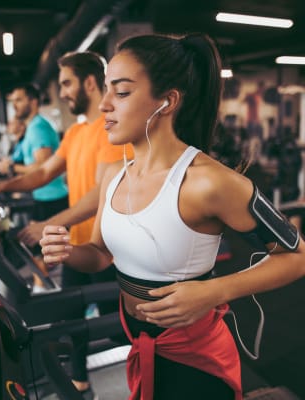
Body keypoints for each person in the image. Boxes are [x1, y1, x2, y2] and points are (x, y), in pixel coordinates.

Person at [39, 33, 305, 400]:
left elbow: (297, 255)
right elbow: (100, 254)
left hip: (195, 358)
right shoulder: (115, 176)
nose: (103, 105)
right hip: (139, 341)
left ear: (166, 101)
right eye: (105, 90)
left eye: (121, 91)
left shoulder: (208, 182)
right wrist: (70, 250)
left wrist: (213, 291)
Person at [0, 51, 133, 399]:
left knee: (118, 326)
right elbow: (44, 172)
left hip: (107, 246)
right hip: (77, 245)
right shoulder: (75, 132)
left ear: (90, 82)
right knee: (68, 319)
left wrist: (48, 223)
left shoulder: (111, 131)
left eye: (67, 83)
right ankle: (79, 382)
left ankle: (146, 380)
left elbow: (97, 195)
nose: (62, 93)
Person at [0, 83, 69, 221]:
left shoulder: (38, 128)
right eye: (13, 101)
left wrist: (11, 167)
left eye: (19, 100)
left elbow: (43, 167)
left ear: (33, 102)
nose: (14, 106)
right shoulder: (33, 126)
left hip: (51, 198)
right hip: (43, 195)